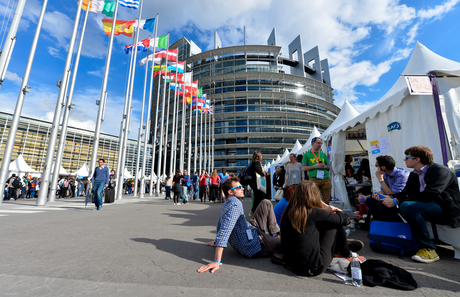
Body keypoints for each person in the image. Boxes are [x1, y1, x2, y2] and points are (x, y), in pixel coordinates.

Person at [380, 146, 460, 263]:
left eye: (407, 157)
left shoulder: (440, 170)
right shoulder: (415, 174)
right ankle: (405, 239)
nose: (404, 160)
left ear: (417, 159)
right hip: (427, 207)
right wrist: (390, 197)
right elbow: (406, 193)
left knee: (408, 206)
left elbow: (430, 194)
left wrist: (397, 200)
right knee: (382, 204)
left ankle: (428, 249)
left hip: (446, 209)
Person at [197, 177, 280, 274]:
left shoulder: (227, 202)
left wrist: (216, 241)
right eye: (239, 187)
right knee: (286, 243)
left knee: (266, 203)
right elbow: (225, 230)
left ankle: (275, 234)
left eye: (241, 186)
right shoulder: (235, 205)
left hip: (248, 229)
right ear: (230, 192)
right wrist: (216, 261)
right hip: (254, 244)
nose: (243, 188)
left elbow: (221, 222)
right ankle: (274, 240)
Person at [280, 181, 364, 276]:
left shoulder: (288, 211)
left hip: (290, 264)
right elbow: (345, 220)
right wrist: (327, 206)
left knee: (324, 222)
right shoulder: (314, 212)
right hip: (312, 267)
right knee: (333, 224)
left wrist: (324, 211)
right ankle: (346, 253)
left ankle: (339, 248)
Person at [357, 155, 409, 224]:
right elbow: (383, 191)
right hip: (393, 197)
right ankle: (381, 225)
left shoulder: (401, 175)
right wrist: (368, 196)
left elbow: (392, 193)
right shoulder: (386, 174)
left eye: (376, 165)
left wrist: (380, 180)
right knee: (370, 200)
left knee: (382, 204)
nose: (376, 168)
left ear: (383, 167)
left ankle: (399, 225)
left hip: (402, 199)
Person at [302, 137, 332, 204]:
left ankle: (325, 213)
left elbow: (329, 167)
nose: (320, 144)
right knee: (314, 199)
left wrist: (325, 166)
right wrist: (315, 166)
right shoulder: (306, 155)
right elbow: (303, 168)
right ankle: (316, 213)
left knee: (326, 200)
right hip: (314, 179)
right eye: (318, 143)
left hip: (326, 178)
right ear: (313, 143)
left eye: (321, 143)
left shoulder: (323, 154)